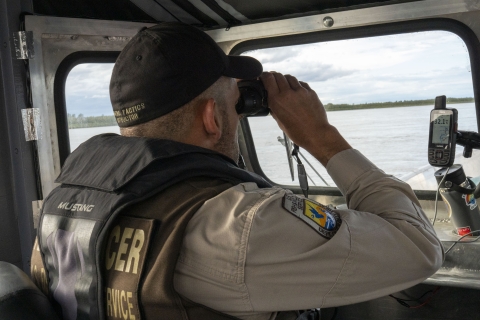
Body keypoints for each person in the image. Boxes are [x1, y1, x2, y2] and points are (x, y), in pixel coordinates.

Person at [31, 22, 443, 320]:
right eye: (234, 104)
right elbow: (418, 250)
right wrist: (321, 136)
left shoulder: (67, 199)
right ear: (213, 117)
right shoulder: (236, 225)